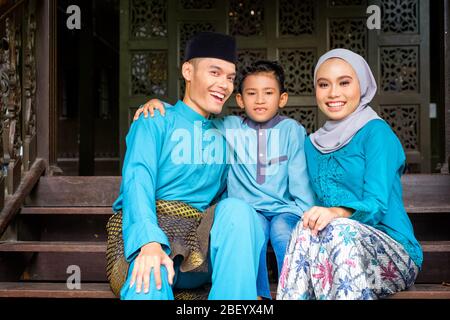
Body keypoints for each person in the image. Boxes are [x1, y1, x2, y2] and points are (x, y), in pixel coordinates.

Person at [134, 60, 316, 299]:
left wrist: (307, 213)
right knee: (254, 228)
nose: (260, 100)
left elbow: (300, 177)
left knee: (283, 231)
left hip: (285, 209)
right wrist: (160, 106)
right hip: (250, 212)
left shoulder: (292, 129)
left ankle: (295, 291)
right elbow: (193, 118)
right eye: (252, 93)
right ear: (240, 100)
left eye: (268, 93)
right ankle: (259, 294)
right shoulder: (228, 127)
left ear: (282, 99)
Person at [112, 31, 265, 300]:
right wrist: (148, 241)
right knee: (149, 278)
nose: (224, 85)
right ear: (188, 71)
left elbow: (230, 208)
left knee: (239, 210)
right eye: (215, 73)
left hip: (198, 253)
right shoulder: (155, 119)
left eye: (230, 78)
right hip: (148, 248)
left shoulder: (226, 137)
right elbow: (138, 181)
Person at [276, 48, 422, 300]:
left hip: (391, 255)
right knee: (304, 227)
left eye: (344, 82)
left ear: (362, 86)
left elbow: (376, 204)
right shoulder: (311, 144)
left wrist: (336, 213)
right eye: (324, 84)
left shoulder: (376, 133)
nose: (333, 93)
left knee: (337, 229)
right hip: (334, 256)